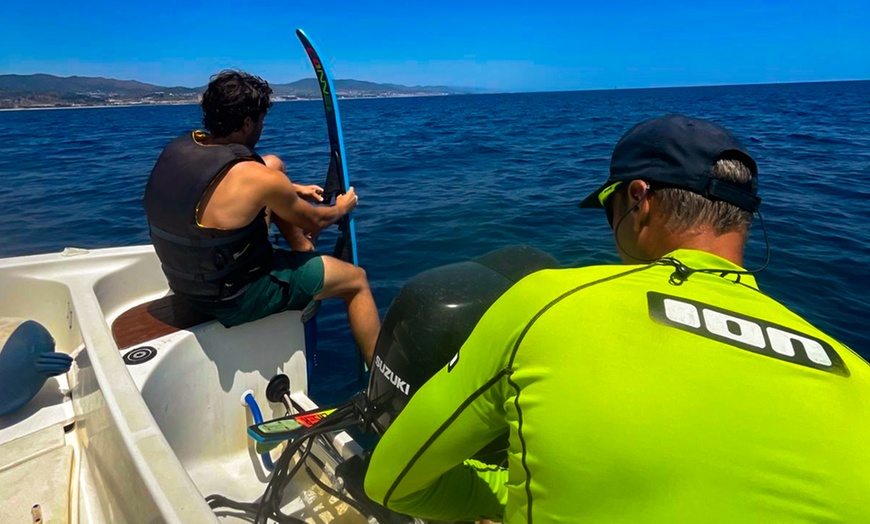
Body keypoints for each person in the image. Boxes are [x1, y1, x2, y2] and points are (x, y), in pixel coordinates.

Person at [364, 114, 870, 522]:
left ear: (638, 200)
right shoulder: (857, 374)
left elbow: (389, 480)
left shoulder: (543, 301)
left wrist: (515, 492)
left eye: (608, 209)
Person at [143, 70, 379, 364]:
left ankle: (303, 250)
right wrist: (343, 207)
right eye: (260, 121)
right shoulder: (259, 180)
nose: (261, 127)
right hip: (235, 297)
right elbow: (315, 221)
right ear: (246, 123)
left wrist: (291, 188)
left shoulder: (180, 149)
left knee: (273, 164)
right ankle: (381, 378)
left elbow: (215, 184)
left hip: (185, 281)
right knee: (356, 281)